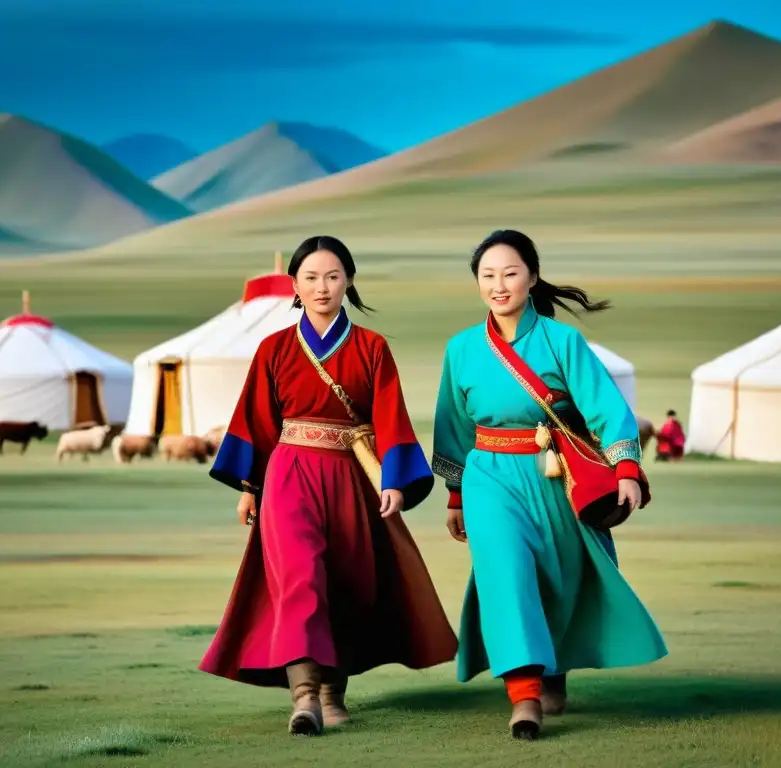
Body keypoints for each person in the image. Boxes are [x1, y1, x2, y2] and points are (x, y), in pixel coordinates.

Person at [199, 235, 458, 736]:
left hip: (351, 478)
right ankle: (304, 697)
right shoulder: (273, 348)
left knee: (345, 582)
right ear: (294, 285)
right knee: (299, 579)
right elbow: (256, 418)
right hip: (289, 473)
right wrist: (249, 486)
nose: (322, 287)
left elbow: (390, 417)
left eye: (333, 276)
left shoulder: (371, 347)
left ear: (349, 282)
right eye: (311, 278)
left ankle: (334, 692)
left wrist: (397, 482)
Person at [432, 229, 668, 740]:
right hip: (488, 477)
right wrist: (454, 496)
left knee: (556, 578)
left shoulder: (564, 342)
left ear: (532, 277)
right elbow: (451, 425)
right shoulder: (462, 349)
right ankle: (524, 698)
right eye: (487, 276)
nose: (499, 285)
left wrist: (626, 468)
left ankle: (552, 670)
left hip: (553, 475)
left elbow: (607, 409)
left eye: (510, 273)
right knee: (506, 572)